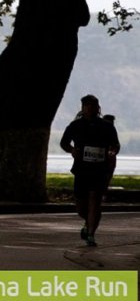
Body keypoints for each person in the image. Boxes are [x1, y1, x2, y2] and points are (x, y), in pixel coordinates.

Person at [60, 95, 120, 247]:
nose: (90, 108)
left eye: (93, 105)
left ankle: (91, 234)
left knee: (95, 200)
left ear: (98, 108)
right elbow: (64, 143)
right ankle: (88, 221)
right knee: (81, 206)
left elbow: (115, 145)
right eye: (87, 105)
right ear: (82, 107)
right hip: (81, 169)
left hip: (100, 169)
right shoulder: (75, 125)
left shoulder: (107, 126)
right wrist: (72, 150)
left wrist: (112, 152)